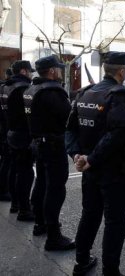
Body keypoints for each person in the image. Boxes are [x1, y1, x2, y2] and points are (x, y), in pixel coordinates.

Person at [66, 51, 125, 276]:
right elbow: (119, 133)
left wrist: (78, 155)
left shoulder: (84, 93)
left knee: (90, 214)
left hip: (89, 168)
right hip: (111, 171)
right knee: (115, 221)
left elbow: (70, 129)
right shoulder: (119, 95)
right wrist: (89, 158)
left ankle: (81, 261)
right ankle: (110, 271)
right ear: (122, 71)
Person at [23, 55, 74, 249]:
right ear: (52, 71)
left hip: (38, 144)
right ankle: (54, 236)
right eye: (59, 68)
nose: (61, 71)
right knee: (55, 190)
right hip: (53, 145)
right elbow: (68, 118)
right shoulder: (53, 91)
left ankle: (40, 223)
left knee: (42, 184)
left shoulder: (31, 89)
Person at [3, 61, 35, 221]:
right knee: (25, 173)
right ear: (23, 71)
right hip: (22, 135)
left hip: (11, 133)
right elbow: (28, 115)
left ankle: (16, 203)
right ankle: (24, 209)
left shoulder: (6, 87)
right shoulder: (23, 88)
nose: (31, 74)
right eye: (29, 71)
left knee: (14, 169)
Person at [0, 68, 13, 202]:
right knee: (7, 162)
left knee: (5, 161)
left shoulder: (3, 88)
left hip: (4, 131)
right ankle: (4, 190)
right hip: (7, 131)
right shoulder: (9, 89)